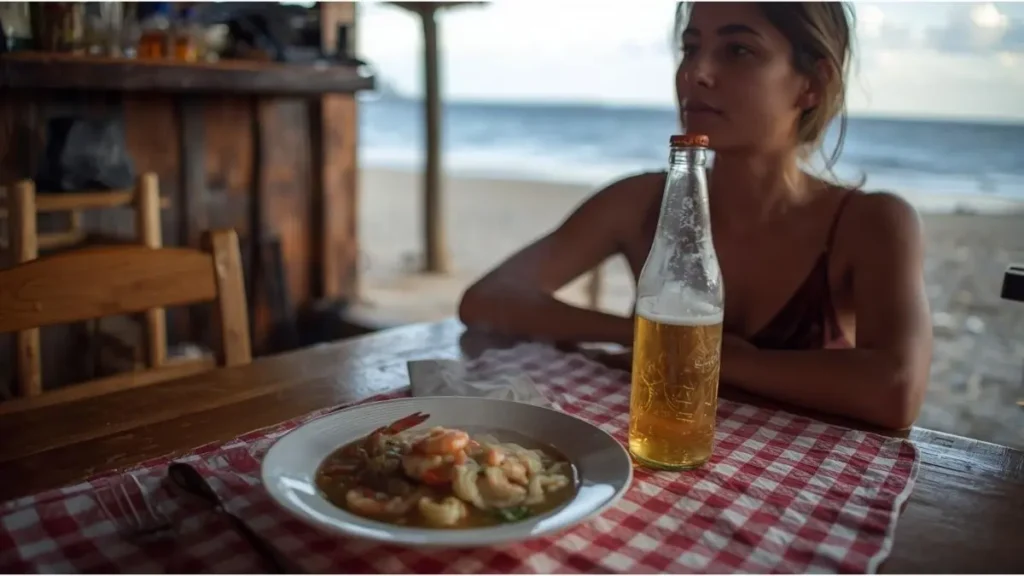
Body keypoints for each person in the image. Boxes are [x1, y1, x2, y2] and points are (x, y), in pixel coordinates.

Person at [458, 2, 933, 430]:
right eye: (690, 48)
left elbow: (896, 390)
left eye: (738, 51)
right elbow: (487, 299)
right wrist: (649, 336)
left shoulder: (868, 224)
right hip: (652, 462)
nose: (695, 74)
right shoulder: (641, 201)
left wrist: (700, 352)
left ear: (813, 83)